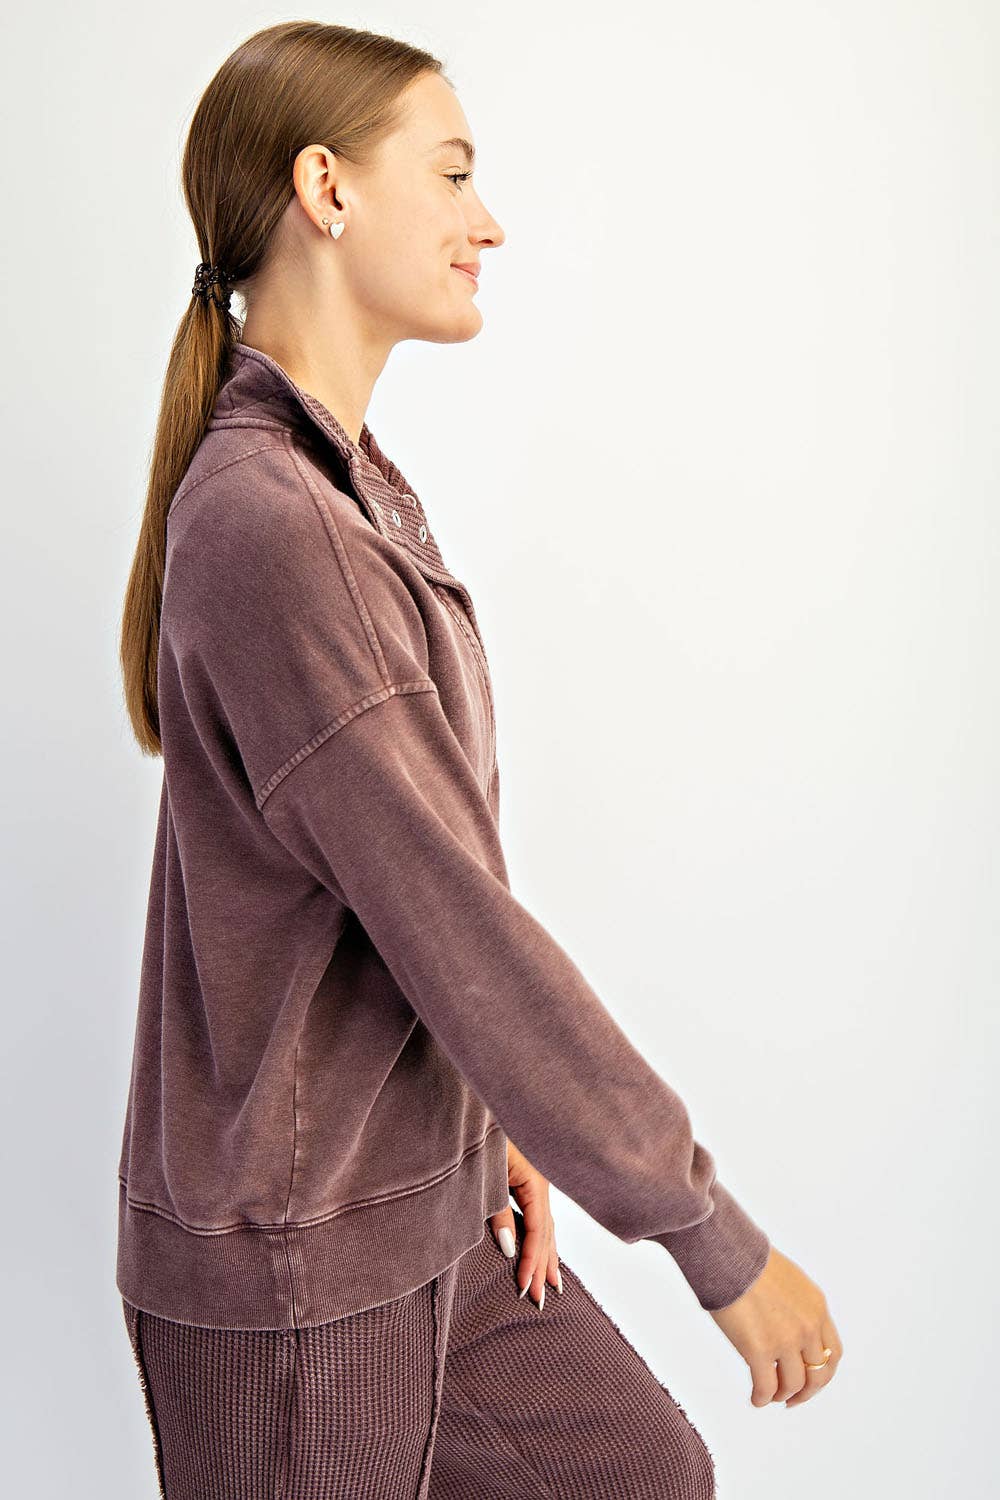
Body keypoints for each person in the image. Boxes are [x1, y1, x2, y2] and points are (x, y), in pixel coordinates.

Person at [116, 19, 842, 1499]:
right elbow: (458, 918)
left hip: (426, 1216)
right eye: (451, 174)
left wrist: (477, 1118)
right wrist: (710, 1239)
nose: (487, 221)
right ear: (326, 188)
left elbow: (398, 896)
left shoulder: (347, 488)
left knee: (642, 1476)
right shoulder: (276, 527)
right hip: (300, 1279)